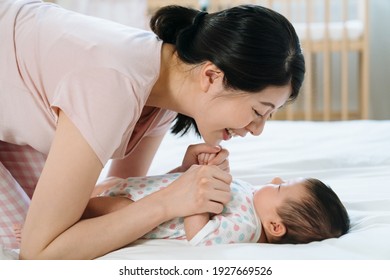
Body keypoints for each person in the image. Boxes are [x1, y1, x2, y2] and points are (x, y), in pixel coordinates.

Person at [0, 0, 305, 259]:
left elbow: (118, 187)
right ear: (212, 77)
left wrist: (177, 178)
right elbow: (39, 252)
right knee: (26, 237)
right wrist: (168, 200)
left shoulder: (164, 86)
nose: (257, 130)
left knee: (62, 217)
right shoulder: (114, 84)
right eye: (258, 112)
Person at [78, 171, 349, 246]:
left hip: (134, 210)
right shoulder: (254, 201)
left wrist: (197, 204)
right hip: (144, 189)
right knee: (97, 189)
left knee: (81, 209)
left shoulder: (246, 228)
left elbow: (202, 235)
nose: (275, 180)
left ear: (275, 226)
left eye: (280, 188)